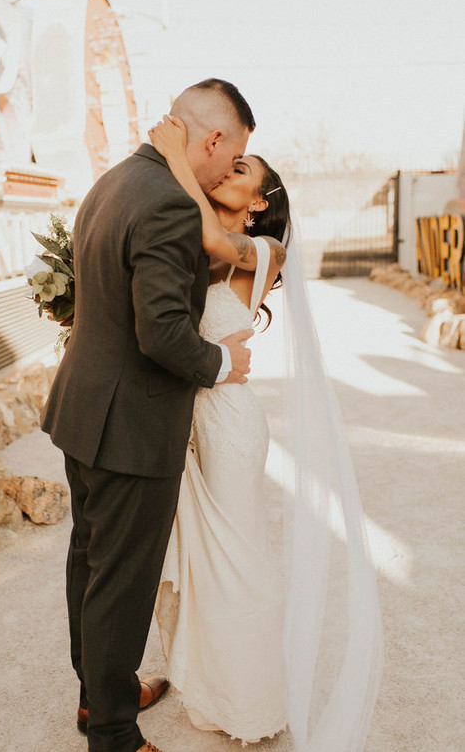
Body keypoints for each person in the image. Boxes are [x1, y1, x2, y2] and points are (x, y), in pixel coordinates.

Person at [148, 116, 383, 751]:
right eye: (228, 163)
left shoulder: (263, 253)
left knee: (236, 558)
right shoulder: (196, 245)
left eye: (242, 170)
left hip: (229, 424)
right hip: (189, 415)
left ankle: (249, 698)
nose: (227, 169)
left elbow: (206, 230)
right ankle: (209, 684)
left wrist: (172, 154)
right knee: (199, 557)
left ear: (259, 205)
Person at [41, 79, 258, 752]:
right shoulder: (167, 201)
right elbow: (162, 331)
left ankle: (95, 694)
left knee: (91, 561)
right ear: (215, 138)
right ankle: (112, 732)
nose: (228, 171)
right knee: (122, 582)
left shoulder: (113, 181)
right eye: (233, 156)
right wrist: (224, 364)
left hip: (83, 412)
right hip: (131, 427)